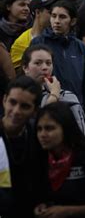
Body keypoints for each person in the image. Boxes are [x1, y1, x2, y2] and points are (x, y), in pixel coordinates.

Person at [34, 102, 85, 218]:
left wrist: (67, 211)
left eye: (49, 128)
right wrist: (41, 207)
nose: (42, 134)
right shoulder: (41, 158)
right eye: (39, 129)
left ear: (66, 128)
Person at [31, 0, 85, 124]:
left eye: (62, 17)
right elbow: (31, 78)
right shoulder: (38, 43)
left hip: (76, 111)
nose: (57, 21)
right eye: (53, 16)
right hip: (50, 110)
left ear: (73, 21)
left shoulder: (79, 47)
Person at [22, 44, 85, 136]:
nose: (45, 67)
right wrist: (54, 96)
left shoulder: (67, 97)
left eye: (49, 63)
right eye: (38, 63)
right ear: (25, 68)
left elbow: (81, 135)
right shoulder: (17, 96)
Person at [0, 76, 43, 218]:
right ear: (4, 100)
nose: (16, 111)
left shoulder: (39, 137)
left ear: (35, 111)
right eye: (12, 102)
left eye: (24, 106)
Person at [10, 0, 55, 71]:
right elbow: (18, 74)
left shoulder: (58, 38)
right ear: (37, 12)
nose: (54, 18)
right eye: (50, 13)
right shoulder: (21, 42)